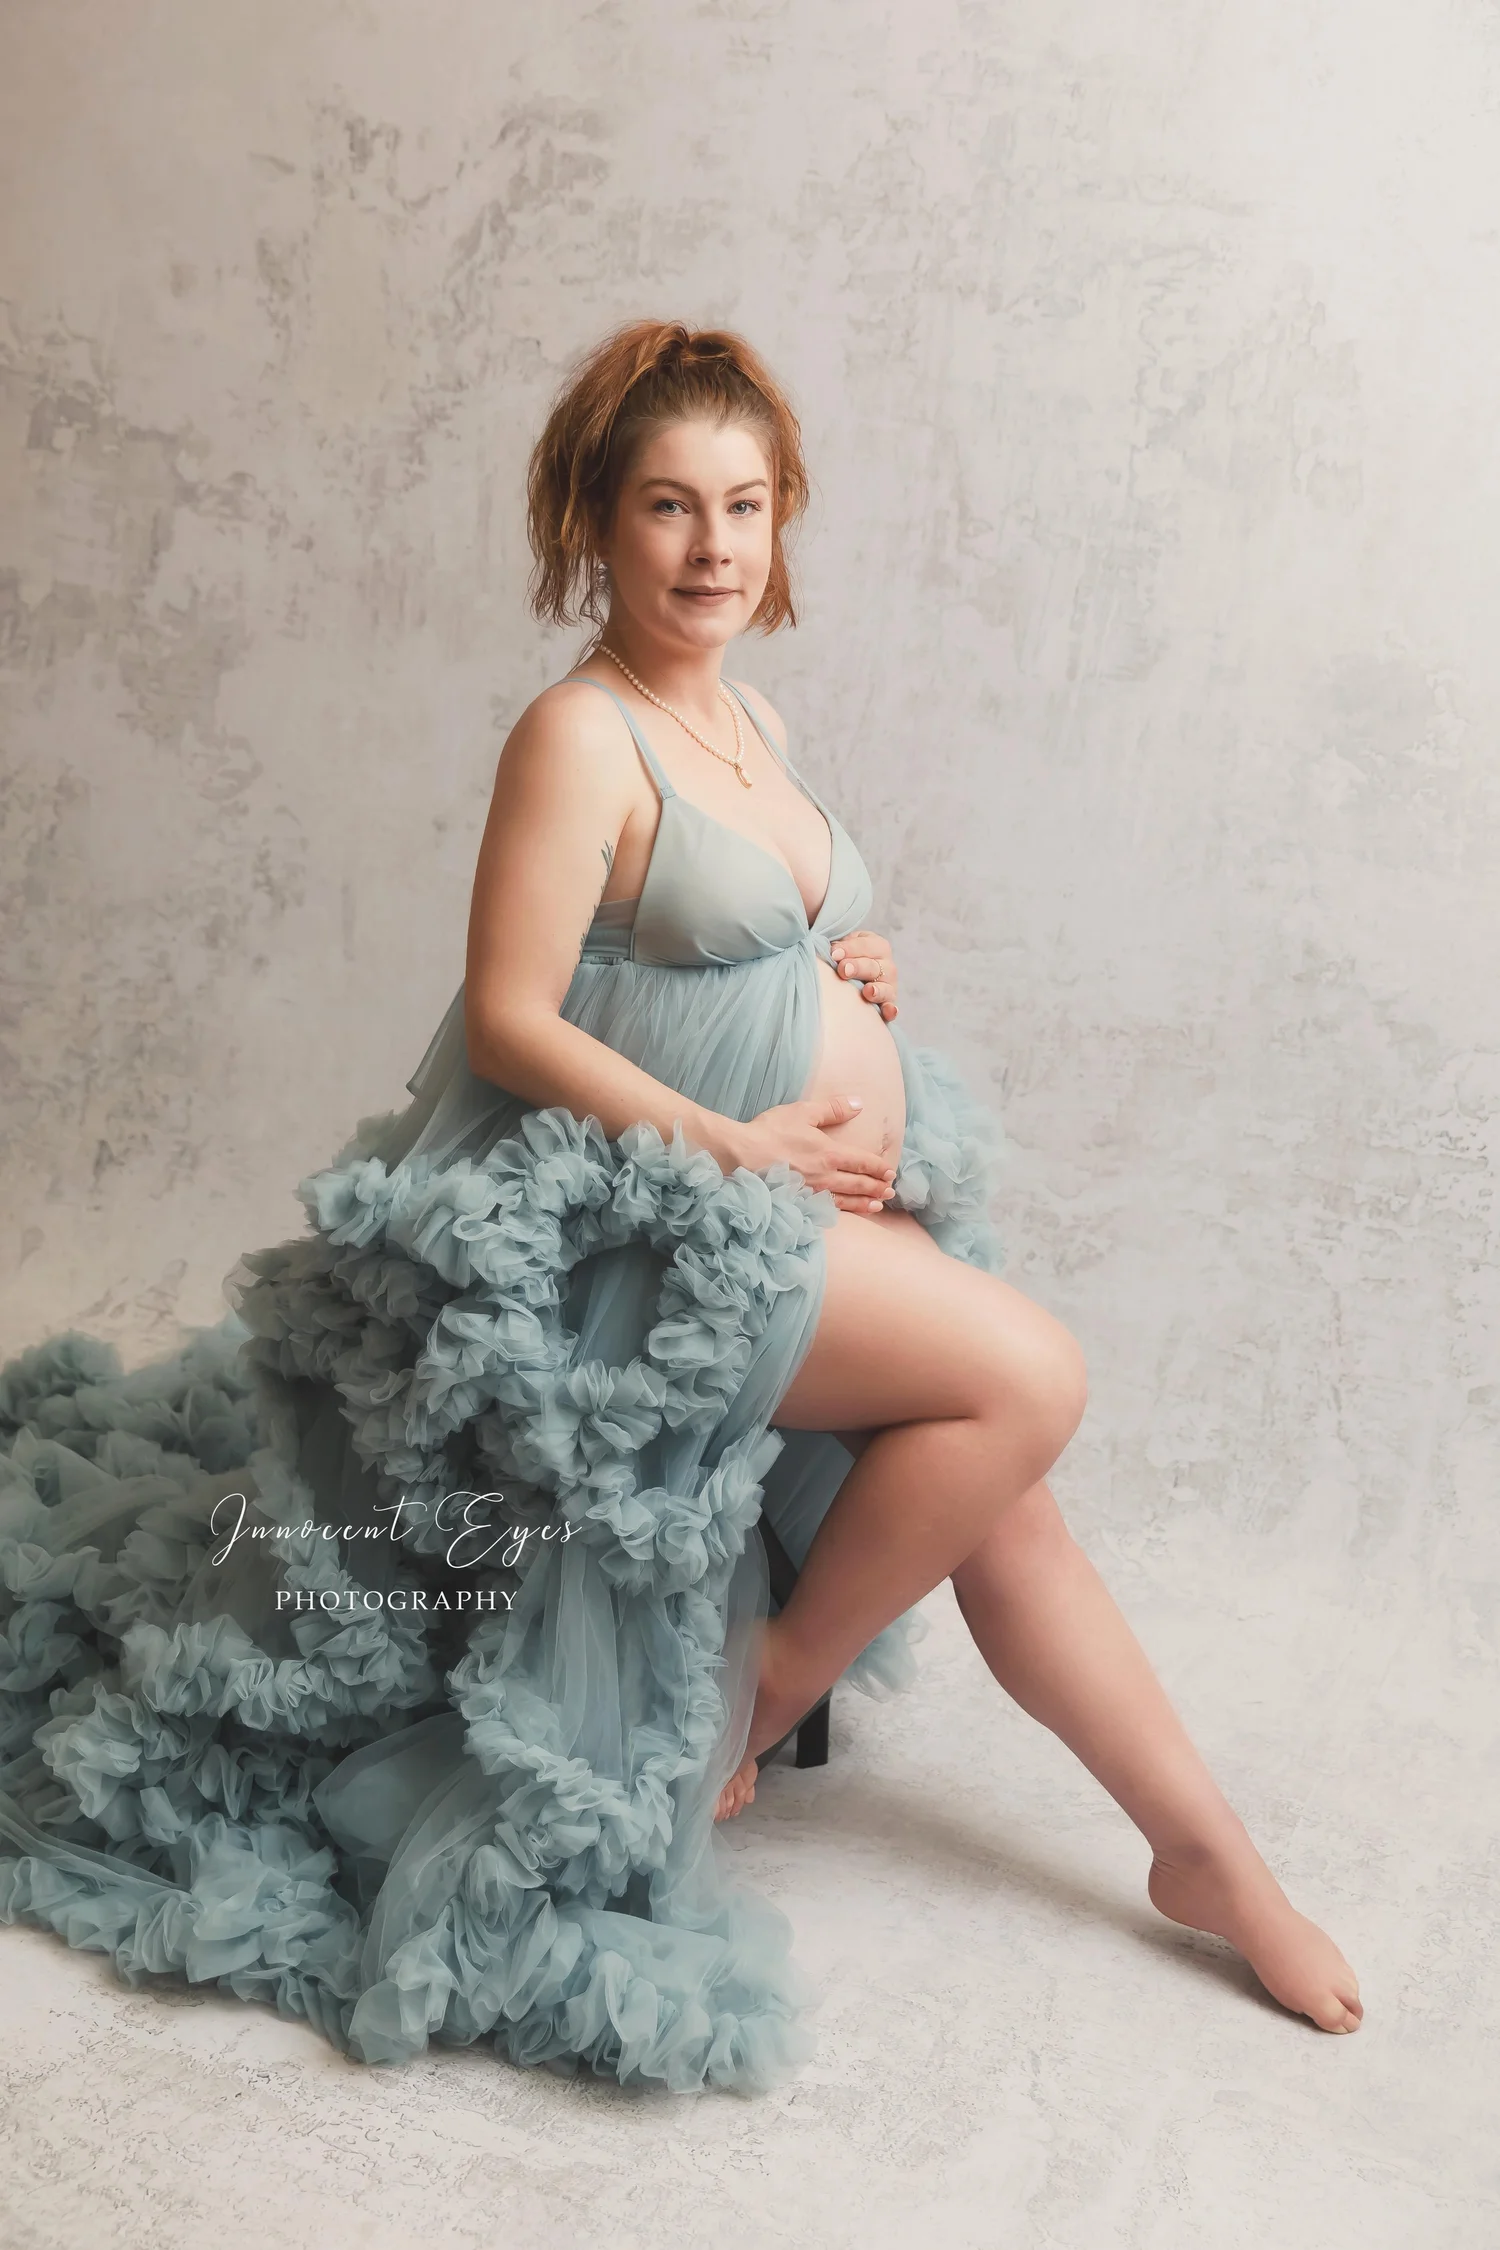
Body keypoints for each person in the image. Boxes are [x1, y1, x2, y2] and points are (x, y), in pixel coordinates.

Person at [0, 320, 1359, 2100]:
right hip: (643, 1243)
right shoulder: (576, 732)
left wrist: (849, 961)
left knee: (1000, 1493)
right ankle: (768, 1682)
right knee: (1028, 1378)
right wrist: (738, 1144)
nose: (712, 545)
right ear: (596, 521)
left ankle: (1206, 1853)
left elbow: (722, 941)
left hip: (780, 1206)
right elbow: (514, 1014)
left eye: (743, 505)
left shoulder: (748, 715)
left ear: (779, 522)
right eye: (667, 506)